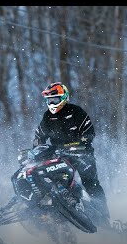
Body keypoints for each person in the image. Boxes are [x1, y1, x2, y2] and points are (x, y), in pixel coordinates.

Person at [33, 81, 110, 226]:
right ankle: (49, 210)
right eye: (49, 100)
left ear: (63, 97)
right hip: (57, 156)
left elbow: (89, 133)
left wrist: (80, 143)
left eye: (54, 99)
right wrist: (37, 149)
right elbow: (39, 137)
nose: (51, 103)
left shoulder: (76, 111)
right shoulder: (47, 117)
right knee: (46, 176)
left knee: (91, 183)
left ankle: (103, 216)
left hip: (81, 154)